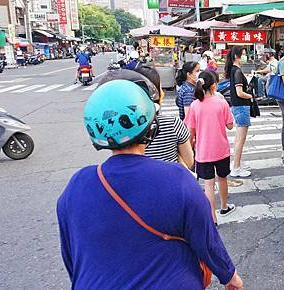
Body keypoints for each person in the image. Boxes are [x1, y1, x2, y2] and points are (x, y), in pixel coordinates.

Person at [57, 80, 243, 289]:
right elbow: (206, 239)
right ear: (150, 126)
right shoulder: (177, 179)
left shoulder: (77, 186)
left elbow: (72, 256)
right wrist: (229, 276)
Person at [185, 71, 237, 223]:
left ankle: (212, 217)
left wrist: (191, 146)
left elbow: (191, 132)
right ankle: (224, 206)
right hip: (221, 149)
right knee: (222, 179)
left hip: (203, 151)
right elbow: (230, 126)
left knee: (208, 184)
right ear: (214, 85)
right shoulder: (221, 103)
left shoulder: (195, 105)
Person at [137, 66, 195, 168]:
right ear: (156, 92)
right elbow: (189, 162)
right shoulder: (173, 124)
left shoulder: (126, 128)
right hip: (171, 181)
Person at [226, 46, 253, 177]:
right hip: (241, 106)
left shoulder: (234, 70)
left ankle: (236, 163)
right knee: (240, 139)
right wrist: (251, 96)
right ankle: (236, 167)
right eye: (243, 54)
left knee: (238, 138)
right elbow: (240, 93)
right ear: (237, 56)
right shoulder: (237, 71)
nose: (245, 56)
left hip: (238, 106)